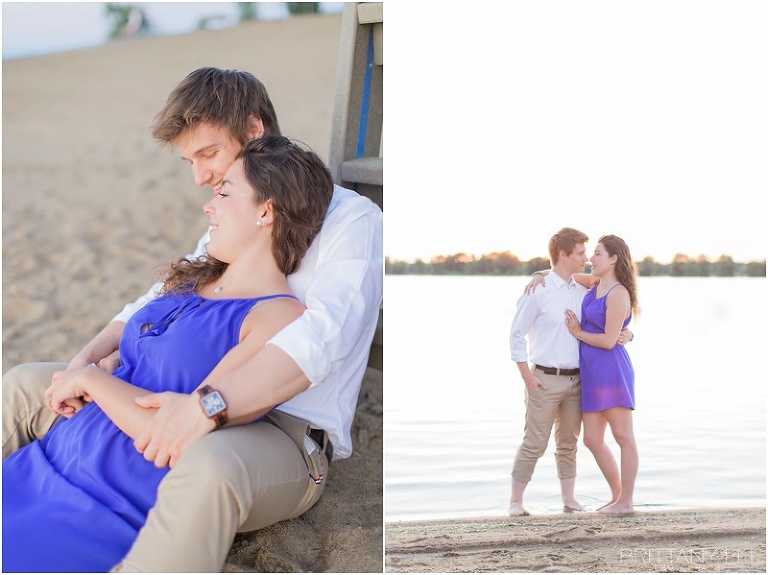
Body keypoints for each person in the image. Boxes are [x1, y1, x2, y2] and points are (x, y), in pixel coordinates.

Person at [2, 68, 383, 571]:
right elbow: (159, 300)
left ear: (253, 132)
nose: (201, 179)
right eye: (193, 162)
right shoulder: (231, 220)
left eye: (208, 156)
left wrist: (205, 406)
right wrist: (87, 360)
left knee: (208, 465)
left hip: (281, 431)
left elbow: (318, 342)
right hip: (181, 396)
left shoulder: (352, 223)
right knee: (29, 383)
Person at [508, 228, 591, 516]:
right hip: (543, 380)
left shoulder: (582, 291)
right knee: (534, 443)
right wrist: (527, 377)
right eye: (580, 253)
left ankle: (569, 500)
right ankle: (515, 502)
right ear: (563, 254)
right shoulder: (538, 290)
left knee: (568, 444)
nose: (586, 258)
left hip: (577, 381)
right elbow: (516, 334)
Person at [564, 234, 639, 514]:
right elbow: (564, 275)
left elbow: (609, 341)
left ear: (613, 259)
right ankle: (618, 497)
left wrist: (577, 332)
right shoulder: (595, 285)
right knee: (592, 439)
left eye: (597, 254)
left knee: (623, 437)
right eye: (592, 254)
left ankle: (626, 502)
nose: (591, 259)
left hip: (612, 371)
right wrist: (538, 274)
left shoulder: (618, 292)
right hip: (592, 373)